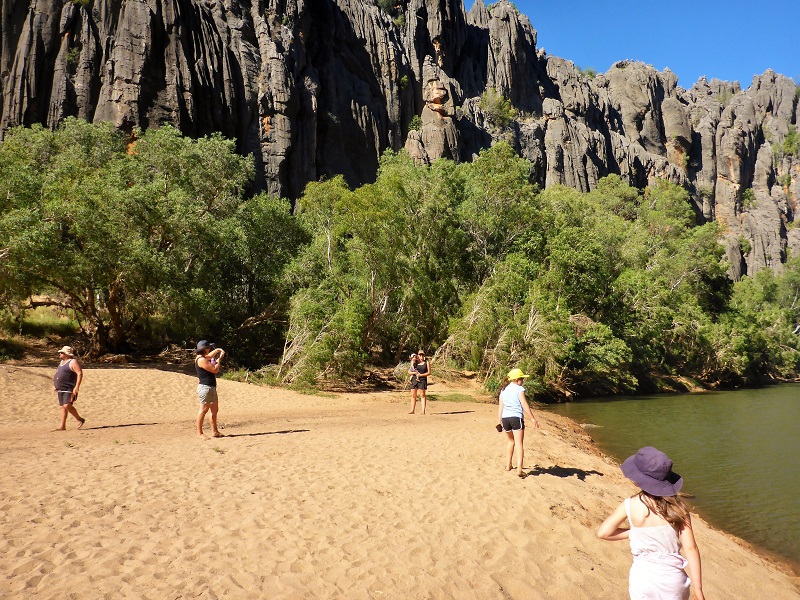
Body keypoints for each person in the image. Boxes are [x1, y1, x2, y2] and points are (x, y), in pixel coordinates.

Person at [597, 446, 705, 600]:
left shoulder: (630, 505)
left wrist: (635, 532)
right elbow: (691, 548)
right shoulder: (678, 509)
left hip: (643, 578)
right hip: (673, 581)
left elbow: (603, 533)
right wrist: (698, 588)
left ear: (637, 480)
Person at [497, 367, 540, 477]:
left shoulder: (503, 390)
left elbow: (500, 407)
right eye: (522, 378)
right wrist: (532, 418)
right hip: (516, 418)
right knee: (519, 443)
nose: (523, 381)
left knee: (510, 441)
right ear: (517, 379)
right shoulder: (519, 389)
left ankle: (508, 466)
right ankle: (519, 470)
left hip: (505, 419)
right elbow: (524, 404)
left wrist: (499, 421)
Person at [195, 339, 225, 438]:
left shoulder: (202, 357)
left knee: (214, 410)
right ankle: (199, 433)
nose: (209, 349)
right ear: (205, 349)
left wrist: (217, 351)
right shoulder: (202, 360)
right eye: (208, 348)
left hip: (210, 387)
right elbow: (215, 370)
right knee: (203, 410)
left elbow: (209, 356)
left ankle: (215, 431)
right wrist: (218, 361)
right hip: (205, 387)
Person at [53, 345, 85, 430]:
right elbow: (58, 374)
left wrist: (77, 387)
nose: (60, 354)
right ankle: (62, 426)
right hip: (61, 388)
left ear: (66, 354)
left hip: (69, 388)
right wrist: (56, 385)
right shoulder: (61, 363)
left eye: (62, 353)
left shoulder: (73, 362)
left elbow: (79, 373)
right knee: (62, 407)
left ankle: (79, 419)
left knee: (67, 405)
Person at [408, 349, 430, 415]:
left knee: (422, 395)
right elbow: (409, 371)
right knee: (413, 395)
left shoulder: (426, 363)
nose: (421, 356)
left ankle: (423, 410)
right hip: (414, 379)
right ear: (418, 355)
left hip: (422, 380)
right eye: (420, 355)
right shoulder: (415, 362)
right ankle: (412, 410)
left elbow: (429, 372)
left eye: (422, 355)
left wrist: (421, 375)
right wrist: (414, 373)